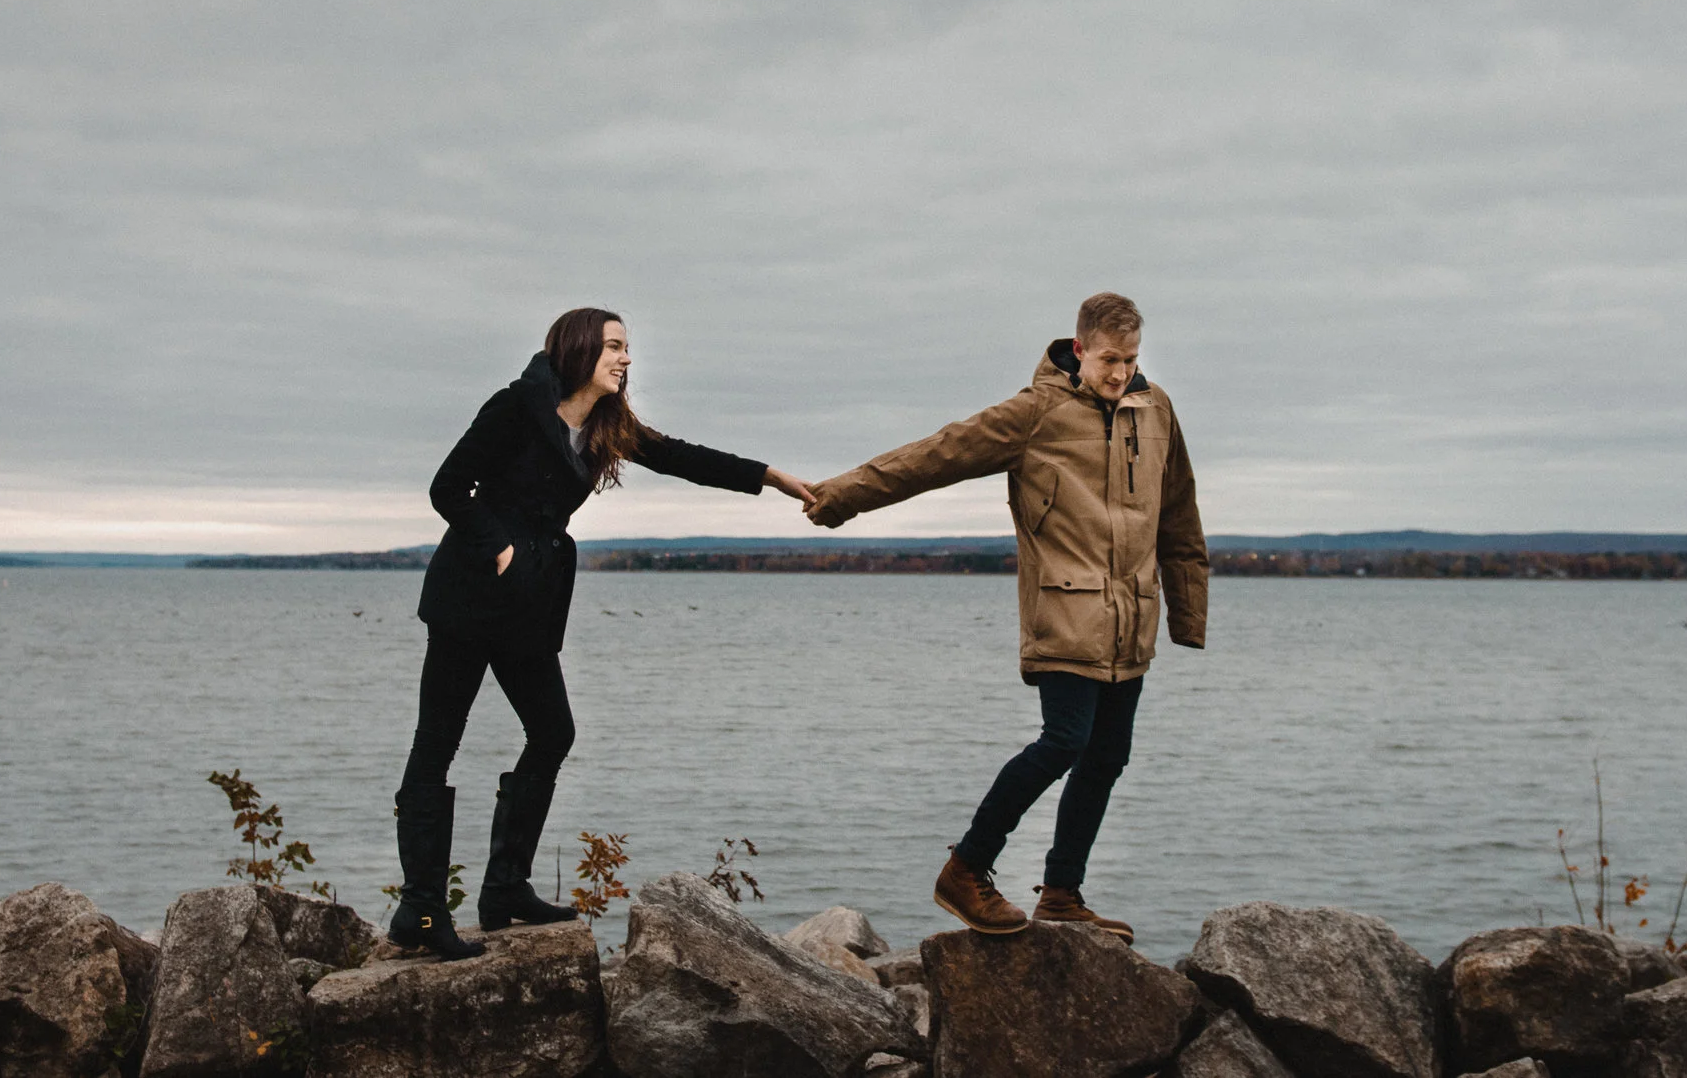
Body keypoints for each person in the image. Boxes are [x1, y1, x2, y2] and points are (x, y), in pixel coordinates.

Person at [393, 307, 819, 959]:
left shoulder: (604, 424)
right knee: (436, 746)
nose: (625, 358)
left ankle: (505, 887)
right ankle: (422, 910)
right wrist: (500, 545)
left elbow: (682, 456)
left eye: (627, 348)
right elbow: (449, 487)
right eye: (615, 346)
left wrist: (769, 477)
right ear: (580, 348)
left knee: (552, 731)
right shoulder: (515, 405)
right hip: (468, 598)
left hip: (527, 608)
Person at [801, 292, 1207, 943]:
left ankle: (1062, 893)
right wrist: (841, 496)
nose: (1119, 373)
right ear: (1080, 350)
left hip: (1133, 619)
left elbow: (1179, 512)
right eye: (1108, 359)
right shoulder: (1036, 413)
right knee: (1065, 740)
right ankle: (965, 868)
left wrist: (1187, 612)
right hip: (1065, 611)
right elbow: (935, 455)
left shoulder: (1155, 412)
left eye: (1131, 360)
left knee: (1107, 755)